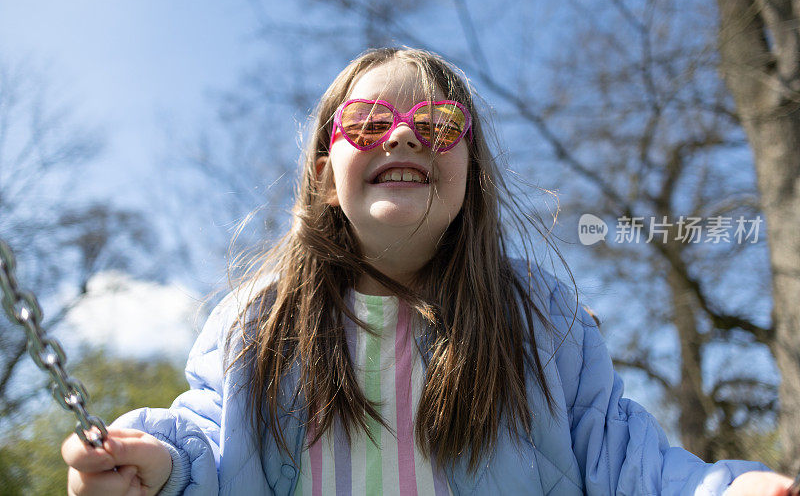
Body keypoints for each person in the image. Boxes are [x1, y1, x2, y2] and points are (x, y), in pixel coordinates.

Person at [62, 48, 796, 495]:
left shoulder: (540, 321)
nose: (407, 131)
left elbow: (621, 456)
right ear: (325, 172)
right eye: (369, 123)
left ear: (469, 173)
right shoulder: (260, 325)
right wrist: (152, 465)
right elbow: (209, 447)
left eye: (441, 125)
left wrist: (716, 490)